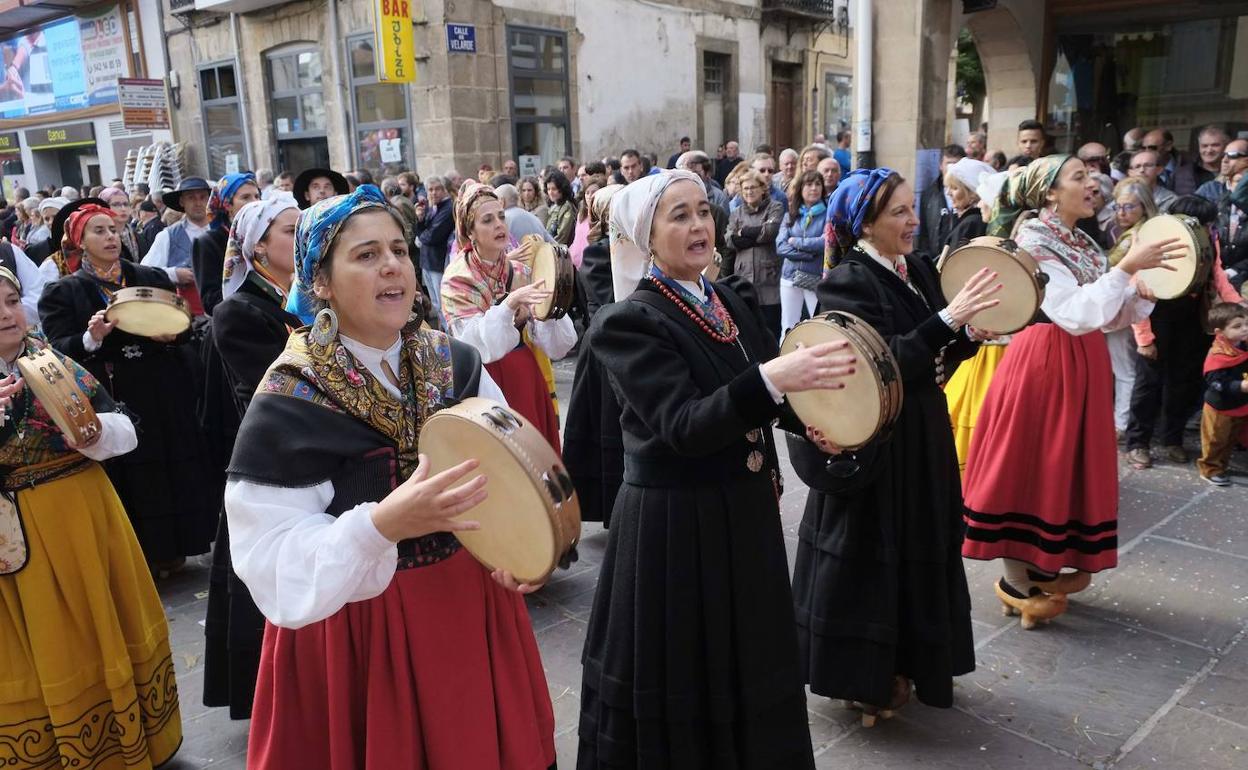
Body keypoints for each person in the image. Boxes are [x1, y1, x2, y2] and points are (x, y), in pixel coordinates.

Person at [227, 185, 555, 769]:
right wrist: (380, 525)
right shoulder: (290, 397)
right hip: (353, 632)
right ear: (320, 282)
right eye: (366, 254)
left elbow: (510, 467)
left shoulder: (455, 362)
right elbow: (266, 557)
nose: (392, 266)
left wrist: (519, 547)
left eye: (400, 250)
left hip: (468, 607)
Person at [578, 169, 856, 769]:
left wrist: (804, 422)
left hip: (740, 514)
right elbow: (683, 424)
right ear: (645, 237)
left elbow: (754, 392)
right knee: (684, 668)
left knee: (746, 657)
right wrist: (774, 380)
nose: (700, 224)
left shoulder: (725, 296)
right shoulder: (628, 322)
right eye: (679, 216)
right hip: (676, 528)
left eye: (703, 210)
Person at [793, 167, 997, 724]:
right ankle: (865, 676)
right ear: (865, 223)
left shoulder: (918, 268)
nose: (914, 220)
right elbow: (874, 364)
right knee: (869, 554)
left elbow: (933, 360)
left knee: (920, 543)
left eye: (913, 208)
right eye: (899, 213)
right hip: (877, 440)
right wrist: (948, 320)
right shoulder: (848, 281)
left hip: (923, 432)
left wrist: (966, 336)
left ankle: (910, 660)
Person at [962, 155, 1176, 624]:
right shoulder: (1032, 239)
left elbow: (1105, 316)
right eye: (1078, 177)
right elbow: (1072, 312)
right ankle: (1016, 580)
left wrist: (1140, 294)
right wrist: (1125, 270)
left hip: (1082, 361)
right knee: (1031, 466)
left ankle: (1045, 565)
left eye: (1091, 175)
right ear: (1051, 192)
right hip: (1044, 363)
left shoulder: (1082, 240)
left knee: (1064, 468)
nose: (1092, 183)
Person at [0, 266, 184, 769]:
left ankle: (128, 742)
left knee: (103, 623)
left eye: (12, 300)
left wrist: (92, 431)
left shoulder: (51, 362)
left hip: (84, 514)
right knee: (45, 643)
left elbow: (124, 428)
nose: (4, 313)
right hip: (15, 540)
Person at [39, 204, 219, 573]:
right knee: (136, 472)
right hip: (116, 389)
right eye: (99, 231)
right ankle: (144, 555)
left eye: (113, 230)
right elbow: (58, 346)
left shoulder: (148, 277)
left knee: (175, 462)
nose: (110, 237)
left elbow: (183, 324)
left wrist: (173, 334)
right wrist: (91, 338)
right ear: (80, 242)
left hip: (164, 387)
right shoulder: (65, 291)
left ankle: (180, 546)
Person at [203, 194, 302, 720]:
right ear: (258, 246)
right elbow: (270, 389)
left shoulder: (312, 294)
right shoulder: (239, 311)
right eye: (290, 231)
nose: (300, 237)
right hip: (276, 463)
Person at [440, 185, 576, 451]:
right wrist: (509, 305)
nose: (499, 225)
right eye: (487, 220)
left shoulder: (520, 270)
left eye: (501, 216)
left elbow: (559, 345)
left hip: (524, 376)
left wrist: (547, 310)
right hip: (482, 381)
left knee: (535, 460)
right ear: (470, 232)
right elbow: (473, 346)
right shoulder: (458, 279)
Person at [1125, 194, 1243, 469]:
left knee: (1183, 383)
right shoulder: (1157, 241)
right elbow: (1137, 288)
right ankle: (1138, 443)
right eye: (1201, 223)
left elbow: (1218, 275)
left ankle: (1172, 439)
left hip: (1192, 320)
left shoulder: (1208, 239)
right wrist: (1144, 338)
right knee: (1148, 384)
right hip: (1157, 318)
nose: (1205, 229)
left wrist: (1238, 307)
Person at [943, 168, 1010, 474]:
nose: (982, 207)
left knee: (980, 404)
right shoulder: (977, 226)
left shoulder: (980, 230)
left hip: (991, 336)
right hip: (986, 332)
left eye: (985, 201)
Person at [1105, 178, 1159, 439]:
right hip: (1118, 305)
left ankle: (1120, 425)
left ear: (1145, 207)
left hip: (1128, 308)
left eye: (1128, 207)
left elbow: (1112, 268)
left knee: (1124, 370)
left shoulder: (1140, 236)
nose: (1121, 213)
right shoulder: (1129, 232)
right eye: (1117, 207)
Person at [143, 176, 214, 315]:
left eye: (202, 197)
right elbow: (145, 272)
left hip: (222, 313)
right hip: (186, 315)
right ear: (182, 201)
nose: (198, 203)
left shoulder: (222, 231)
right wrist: (174, 274)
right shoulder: (168, 236)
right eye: (191, 198)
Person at [728, 169, 784, 336]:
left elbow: (770, 232)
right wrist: (755, 235)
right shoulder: (736, 212)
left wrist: (743, 232)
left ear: (762, 188)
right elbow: (729, 240)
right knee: (748, 329)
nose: (749, 192)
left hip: (768, 278)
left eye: (753, 187)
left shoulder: (775, 207)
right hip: (744, 274)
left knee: (771, 328)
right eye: (745, 188)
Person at [1196, 303, 1248, 486]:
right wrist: (1240, 386)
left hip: (1240, 404)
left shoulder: (1243, 346)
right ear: (1220, 331)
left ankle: (1221, 466)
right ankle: (1210, 469)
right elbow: (1216, 382)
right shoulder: (1218, 354)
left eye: (1246, 324)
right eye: (1237, 326)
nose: (1244, 329)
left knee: (1230, 439)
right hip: (1220, 407)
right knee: (1215, 440)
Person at [777, 170, 827, 335]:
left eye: (817, 184)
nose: (814, 188)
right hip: (790, 276)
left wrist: (797, 242)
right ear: (800, 188)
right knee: (788, 325)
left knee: (819, 324)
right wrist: (808, 254)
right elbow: (780, 246)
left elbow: (825, 242)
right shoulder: (790, 215)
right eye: (809, 184)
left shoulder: (827, 214)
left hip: (815, 276)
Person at [413, 176, 454, 321]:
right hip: (428, 262)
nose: (434, 193)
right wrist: (420, 219)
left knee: (444, 306)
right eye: (430, 189)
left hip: (438, 263)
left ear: (444, 190)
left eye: (437, 189)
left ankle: (449, 338)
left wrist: (421, 237)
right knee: (437, 305)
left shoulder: (448, 208)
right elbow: (423, 232)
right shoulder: (432, 207)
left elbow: (432, 237)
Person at [919, 144, 967, 257]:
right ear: (941, 165)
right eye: (948, 164)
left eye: (956, 164)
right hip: (935, 259)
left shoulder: (971, 197)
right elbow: (924, 233)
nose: (951, 169)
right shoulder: (929, 195)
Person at [942, 157, 996, 251]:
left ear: (972, 194)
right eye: (948, 187)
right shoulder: (971, 219)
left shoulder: (972, 223)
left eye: (954, 188)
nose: (948, 193)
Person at [1174, 125, 1227, 195]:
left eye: (1215, 145)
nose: (1209, 150)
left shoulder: (1235, 172)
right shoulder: (1184, 173)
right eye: (1204, 146)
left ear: (1226, 147)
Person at [98, 186, 139, 261]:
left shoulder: (139, 236)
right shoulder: (100, 238)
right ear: (105, 208)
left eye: (126, 204)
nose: (123, 209)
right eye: (116, 205)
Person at [544, 171, 577, 246]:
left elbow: (562, 235)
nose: (550, 192)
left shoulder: (566, 206)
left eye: (554, 189)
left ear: (562, 189)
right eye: (548, 189)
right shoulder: (553, 206)